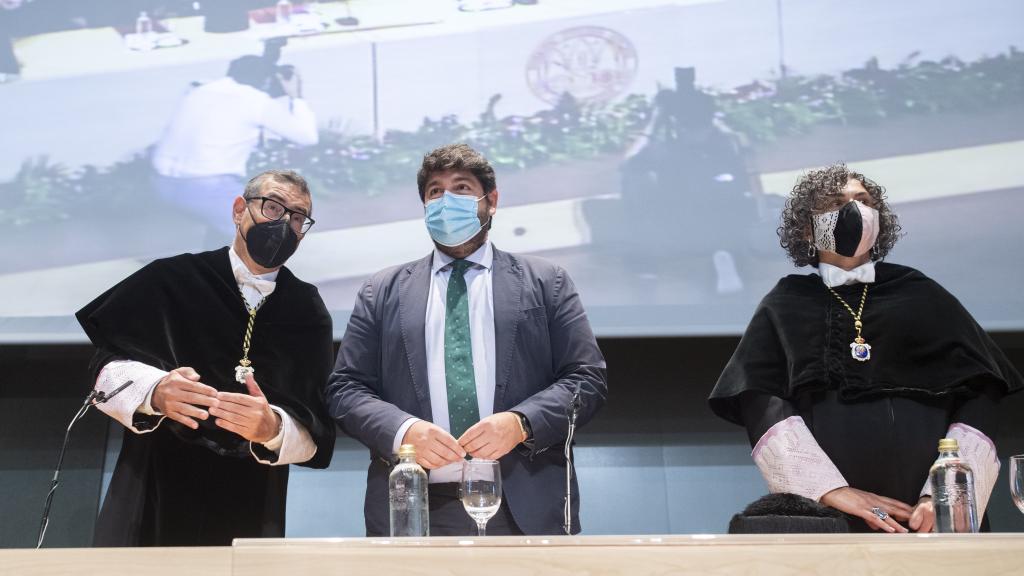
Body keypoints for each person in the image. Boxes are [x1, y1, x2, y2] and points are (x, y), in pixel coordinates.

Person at [708, 164, 1023, 532]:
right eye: (836, 203)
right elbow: (762, 401)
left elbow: (982, 389)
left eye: (863, 200)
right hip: (837, 519)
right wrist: (831, 490)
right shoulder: (786, 303)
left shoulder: (921, 293)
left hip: (935, 517)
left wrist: (945, 495)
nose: (854, 211)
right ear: (808, 227)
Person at [326, 143, 608, 536]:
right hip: (412, 507)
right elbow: (345, 389)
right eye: (435, 192)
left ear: (490, 201)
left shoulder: (547, 282)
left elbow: (586, 378)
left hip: (523, 506)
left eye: (461, 188)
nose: (446, 200)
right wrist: (403, 431)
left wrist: (521, 423)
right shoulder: (382, 290)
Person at [76, 169, 335, 546]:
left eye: (297, 218)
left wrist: (273, 429)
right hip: (155, 476)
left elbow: (315, 425)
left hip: (251, 493)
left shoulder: (307, 310)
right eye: (273, 207)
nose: (285, 224)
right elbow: (105, 366)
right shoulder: (172, 278)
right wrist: (154, 391)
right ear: (238, 210)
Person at [151, 48, 318, 247]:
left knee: (235, 209)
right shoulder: (256, 101)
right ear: (265, 82)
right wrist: (296, 96)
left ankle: (218, 251)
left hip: (161, 184)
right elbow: (307, 137)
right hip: (206, 189)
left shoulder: (198, 90)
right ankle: (230, 270)